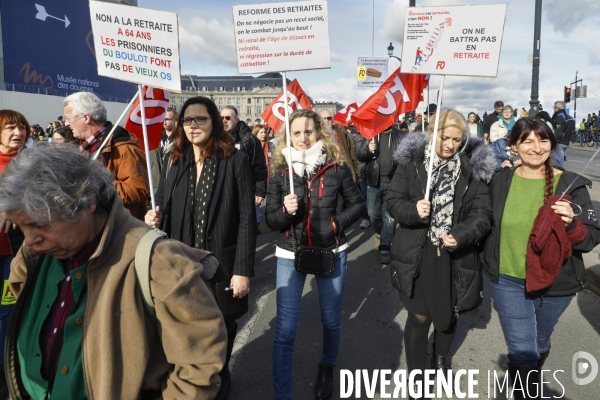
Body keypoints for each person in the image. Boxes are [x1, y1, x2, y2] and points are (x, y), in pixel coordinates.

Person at [0, 143, 227, 400]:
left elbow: (199, 364)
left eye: (40, 224)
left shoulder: (157, 260)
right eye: (20, 227)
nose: (29, 240)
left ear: (87, 202)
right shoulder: (33, 255)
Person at [145, 96, 256, 400]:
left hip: (220, 261)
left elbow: (247, 219)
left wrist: (242, 271)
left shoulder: (235, 159)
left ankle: (219, 378)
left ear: (214, 122)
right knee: (185, 323)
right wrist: (152, 215)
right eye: (187, 120)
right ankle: (193, 379)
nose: (192, 126)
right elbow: (164, 206)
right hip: (181, 261)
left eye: (200, 119)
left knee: (222, 325)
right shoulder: (175, 159)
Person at [483, 117, 600, 399]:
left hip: (557, 284)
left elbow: (589, 240)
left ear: (552, 144)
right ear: (513, 146)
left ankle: (526, 373)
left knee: (539, 341)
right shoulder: (499, 180)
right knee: (523, 352)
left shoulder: (572, 186)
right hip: (509, 280)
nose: (536, 148)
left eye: (543, 140)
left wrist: (572, 223)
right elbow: (480, 221)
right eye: (527, 141)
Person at [386, 109, 494, 397]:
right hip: (418, 251)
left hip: (455, 254)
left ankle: (440, 359)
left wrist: (459, 235)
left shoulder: (473, 169)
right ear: (432, 133)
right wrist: (413, 210)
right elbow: (393, 201)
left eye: (457, 140)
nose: (450, 145)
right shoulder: (411, 164)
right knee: (419, 316)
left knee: (447, 314)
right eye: (444, 138)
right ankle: (415, 375)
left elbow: (482, 215)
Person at [266, 109, 365, 400]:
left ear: (319, 132)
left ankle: (327, 366)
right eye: (296, 132)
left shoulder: (337, 166)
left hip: (330, 250)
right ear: (288, 135)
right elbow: (270, 221)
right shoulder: (281, 169)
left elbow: (358, 205)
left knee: (331, 320)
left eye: (309, 131)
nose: (303, 138)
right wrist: (286, 211)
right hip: (289, 252)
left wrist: (336, 223)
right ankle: (282, 394)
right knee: (285, 330)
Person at [63, 92, 150, 220]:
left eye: (68, 118)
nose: (66, 123)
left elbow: (138, 190)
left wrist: (95, 183)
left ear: (86, 117)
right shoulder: (75, 148)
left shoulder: (123, 147)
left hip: (116, 228)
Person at [0, 110, 27, 398]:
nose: (17, 132)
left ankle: (7, 370)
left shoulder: (30, 164)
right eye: (10, 127)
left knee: (9, 310)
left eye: (21, 127)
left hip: (17, 253)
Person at [356, 124, 407, 264]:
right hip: (373, 182)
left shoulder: (401, 136)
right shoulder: (370, 134)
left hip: (394, 183)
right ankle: (380, 234)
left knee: (390, 217)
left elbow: (409, 158)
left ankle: (385, 247)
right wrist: (368, 149)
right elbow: (359, 156)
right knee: (373, 215)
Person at [220, 105, 268, 211]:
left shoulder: (250, 139)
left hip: (245, 191)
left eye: (227, 118)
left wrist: (260, 192)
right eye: (221, 118)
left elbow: (259, 167)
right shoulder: (215, 138)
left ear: (236, 120)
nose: (224, 121)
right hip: (221, 192)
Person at [319, 109, 360, 184]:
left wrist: (356, 174)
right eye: (324, 118)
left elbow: (351, 154)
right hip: (328, 178)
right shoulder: (316, 136)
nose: (327, 120)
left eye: (329, 118)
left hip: (346, 172)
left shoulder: (341, 132)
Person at [150, 107, 177, 193]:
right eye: (162, 119)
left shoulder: (180, 138)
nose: (164, 122)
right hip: (157, 183)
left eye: (167, 119)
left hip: (173, 183)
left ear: (175, 120)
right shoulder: (155, 137)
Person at [253, 123, 273, 233]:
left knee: (270, 200)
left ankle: (271, 219)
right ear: (256, 134)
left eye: (265, 132)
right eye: (261, 132)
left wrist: (272, 156)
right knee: (256, 201)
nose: (264, 134)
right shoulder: (253, 146)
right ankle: (257, 224)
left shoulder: (270, 145)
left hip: (270, 176)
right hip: (258, 177)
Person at [551, 101, 575, 168]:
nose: (553, 109)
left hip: (560, 142)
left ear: (557, 108)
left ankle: (562, 176)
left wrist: (554, 141)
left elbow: (558, 131)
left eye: (554, 107)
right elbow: (572, 131)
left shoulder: (559, 117)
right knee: (560, 161)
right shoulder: (570, 117)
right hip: (566, 142)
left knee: (558, 163)